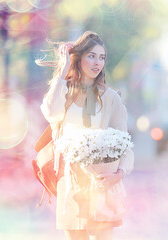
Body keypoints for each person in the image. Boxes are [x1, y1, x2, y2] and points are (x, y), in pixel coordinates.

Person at [36, 31, 134, 240]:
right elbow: (50, 112)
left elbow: (124, 145)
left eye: (102, 57)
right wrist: (63, 72)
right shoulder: (64, 91)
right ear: (78, 58)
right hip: (70, 180)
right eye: (91, 55)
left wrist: (118, 174)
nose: (97, 62)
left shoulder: (111, 98)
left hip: (101, 181)